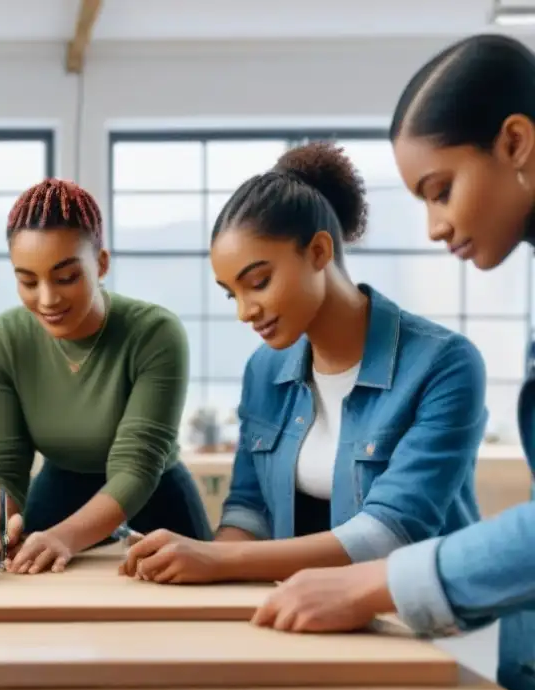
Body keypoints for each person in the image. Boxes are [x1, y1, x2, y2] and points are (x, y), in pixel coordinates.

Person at [249, 33, 535, 690]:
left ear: (516, 143)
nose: (435, 226)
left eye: (442, 190)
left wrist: (376, 583)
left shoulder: (441, 362)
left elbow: (396, 524)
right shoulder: (268, 373)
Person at [121, 141, 486, 586]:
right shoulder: (265, 369)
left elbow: (391, 533)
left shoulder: (443, 364)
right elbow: (249, 510)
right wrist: (192, 562)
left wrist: (216, 562)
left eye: (258, 282)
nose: (245, 311)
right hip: (318, 610)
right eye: (231, 293)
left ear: (318, 251)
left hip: (432, 625)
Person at [0, 178, 213, 575]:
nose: (47, 300)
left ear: (101, 264)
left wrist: (65, 537)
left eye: (66, 277)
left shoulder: (156, 333)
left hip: (157, 499)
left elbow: (136, 466)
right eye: (28, 281)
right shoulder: (5, 339)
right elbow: (2, 461)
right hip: (56, 495)